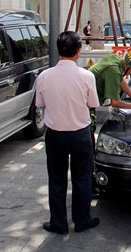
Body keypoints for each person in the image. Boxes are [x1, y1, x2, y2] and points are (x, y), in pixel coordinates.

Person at [36, 31, 100, 234]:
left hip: (55, 134)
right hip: (80, 134)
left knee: (56, 179)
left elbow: (40, 104)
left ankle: (59, 223)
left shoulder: (44, 77)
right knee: (82, 178)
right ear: (78, 51)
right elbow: (93, 104)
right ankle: (81, 220)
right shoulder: (86, 76)